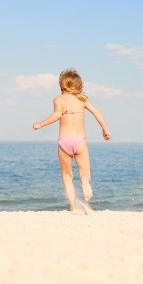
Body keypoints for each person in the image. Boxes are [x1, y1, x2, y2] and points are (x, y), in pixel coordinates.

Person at [33, 68, 111, 211]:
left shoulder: (58, 99)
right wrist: (105, 129)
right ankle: (85, 182)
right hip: (80, 140)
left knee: (67, 175)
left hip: (64, 141)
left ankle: (73, 206)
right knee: (84, 174)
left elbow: (57, 115)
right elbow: (97, 112)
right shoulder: (82, 99)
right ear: (79, 86)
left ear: (61, 86)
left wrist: (40, 124)